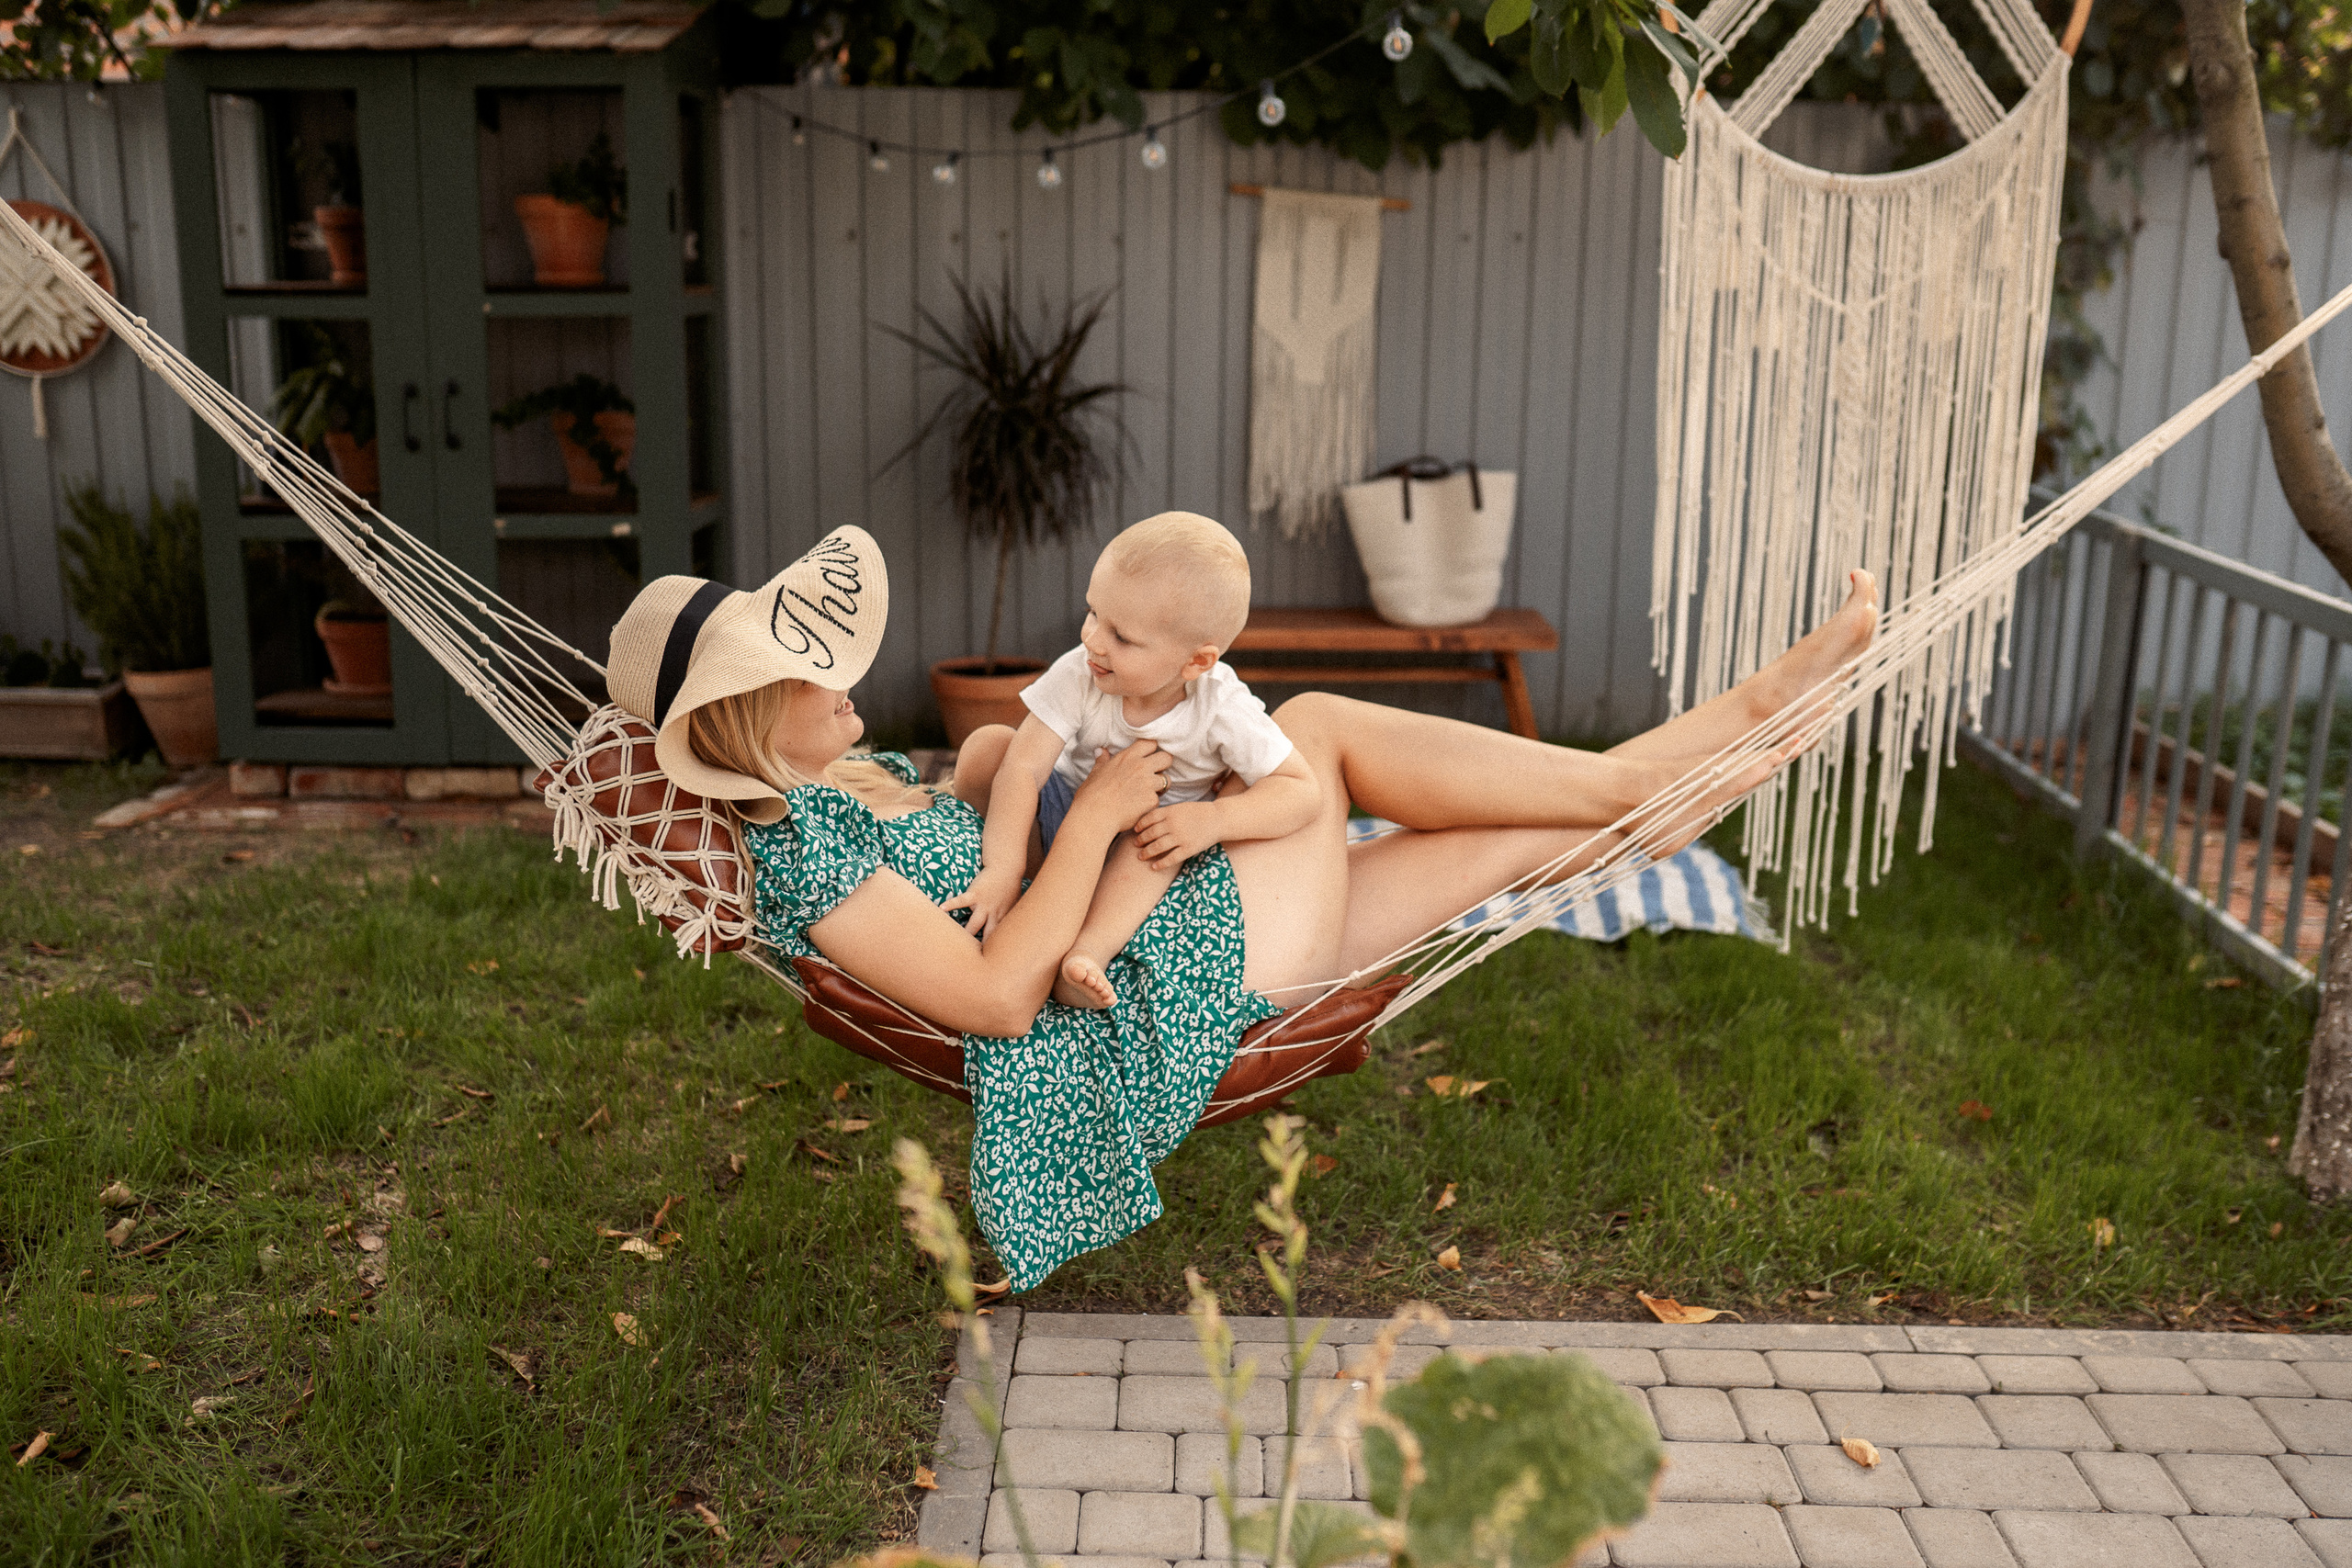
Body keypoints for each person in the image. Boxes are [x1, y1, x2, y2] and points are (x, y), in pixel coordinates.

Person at [604, 525, 1879, 1292]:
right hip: (1143, 995)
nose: (842, 677)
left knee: (1511, 839)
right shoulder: (808, 860)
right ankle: (1662, 775)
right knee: (1311, 734)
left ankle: (1718, 735)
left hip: (1166, 921)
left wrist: (1000, 775)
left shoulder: (836, 794)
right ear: (748, 718)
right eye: (807, 670)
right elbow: (994, 996)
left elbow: (982, 826)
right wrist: (1097, 814)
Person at [948, 513, 1317, 1011]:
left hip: (1138, 847)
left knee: (1156, 846)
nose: (1093, 639)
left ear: (1196, 663)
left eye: (1121, 636)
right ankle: (1011, 885)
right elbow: (1022, 769)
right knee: (989, 747)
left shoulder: (1221, 708)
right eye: (1093, 613)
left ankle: (1086, 954)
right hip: (1061, 811)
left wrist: (1211, 818)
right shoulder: (1081, 672)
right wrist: (1004, 868)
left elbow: (1300, 789)